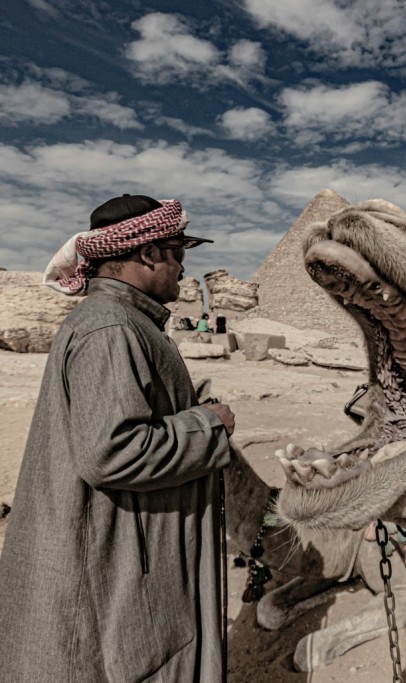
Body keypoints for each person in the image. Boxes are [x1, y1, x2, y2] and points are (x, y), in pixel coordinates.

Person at [0, 194, 235, 682]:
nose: (183, 269)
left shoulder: (128, 324)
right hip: (116, 568)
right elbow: (113, 452)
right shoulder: (112, 327)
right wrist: (210, 425)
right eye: (179, 252)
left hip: (130, 550)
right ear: (148, 254)